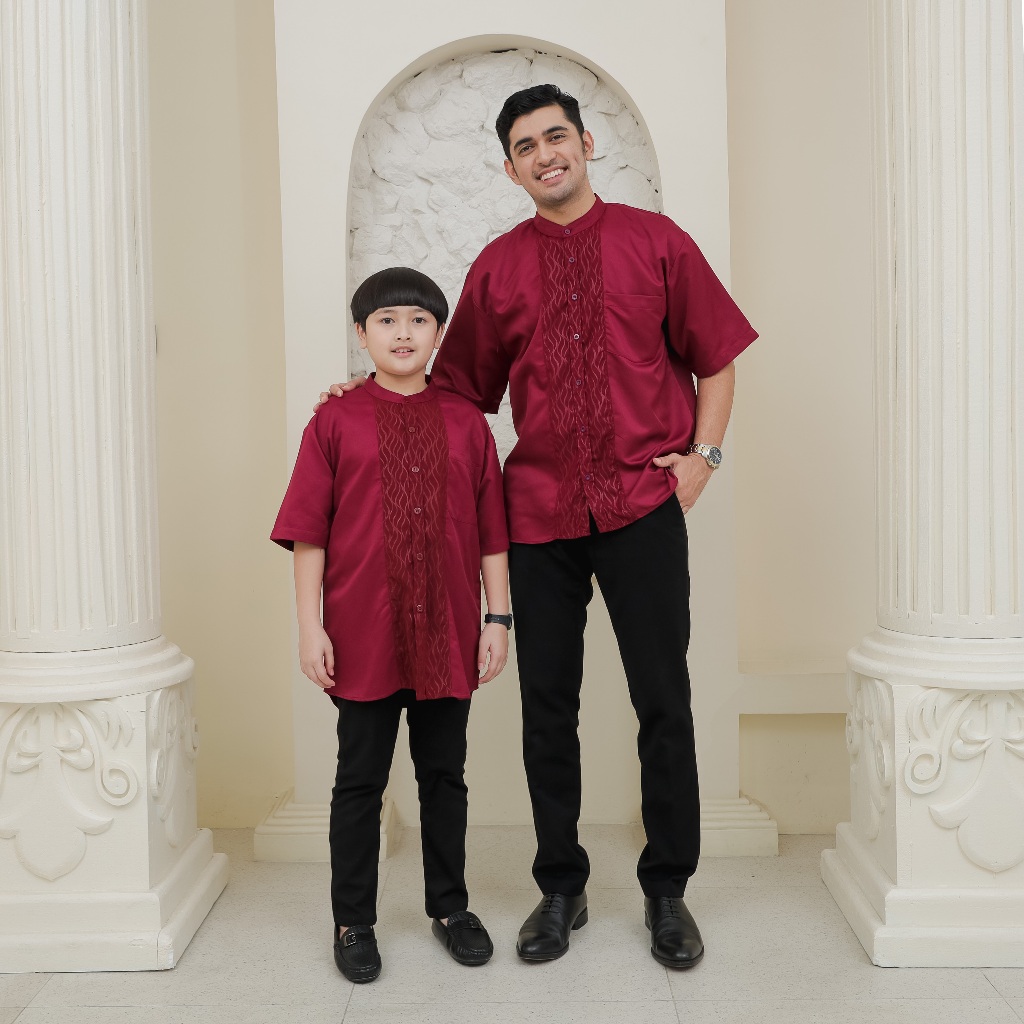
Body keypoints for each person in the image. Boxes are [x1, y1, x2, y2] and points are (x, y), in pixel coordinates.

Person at [322, 84, 757, 968]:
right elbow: (453, 391)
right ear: (510, 168)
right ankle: (561, 887)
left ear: (587, 144)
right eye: (525, 146)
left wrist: (703, 459)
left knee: (663, 700)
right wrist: (365, 392)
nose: (545, 153)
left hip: (642, 506)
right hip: (539, 517)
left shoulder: (658, 243)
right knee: (546, 710)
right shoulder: (498, 268)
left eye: (556, 136)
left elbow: (717, 358)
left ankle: (667, 890)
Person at [274, 267, 511, 983]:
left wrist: (497, 617)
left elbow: (491, 532)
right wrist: (310, 626)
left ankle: (451, 908)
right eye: (386, 320)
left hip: (448, 631)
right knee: (359, 781)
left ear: (438, 333)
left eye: (418, 320)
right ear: (361, 333)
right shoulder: (334, 420)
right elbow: (309, 532)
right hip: (362, 634)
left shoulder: (467, 422)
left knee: (445, 777)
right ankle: (354, 921)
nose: (402, 333)